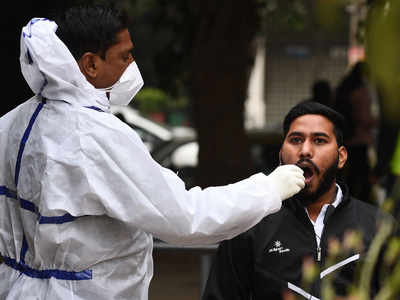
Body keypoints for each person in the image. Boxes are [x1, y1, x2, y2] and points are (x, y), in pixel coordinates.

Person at [0, 5, 306, 300]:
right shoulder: (95, 135)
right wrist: (268, 189)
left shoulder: (13, 123)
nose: (132, 65)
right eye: (125, 56)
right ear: (91, 64)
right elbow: (186, 217)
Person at [203, 101, 397, 300]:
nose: (305, 150)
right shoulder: (250, 223)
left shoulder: (379, 225)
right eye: (296, 140)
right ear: (281, 154)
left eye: (319, 140)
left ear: (341, 157)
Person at [334, 61, 378, 202]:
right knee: (362, 179)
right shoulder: (361, 92)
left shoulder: (343, 89)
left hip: (344, 140)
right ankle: (361, 210)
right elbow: (364, 119)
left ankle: (343, 203)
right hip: (359, 140)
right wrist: (378, 122)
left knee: (347, 176)